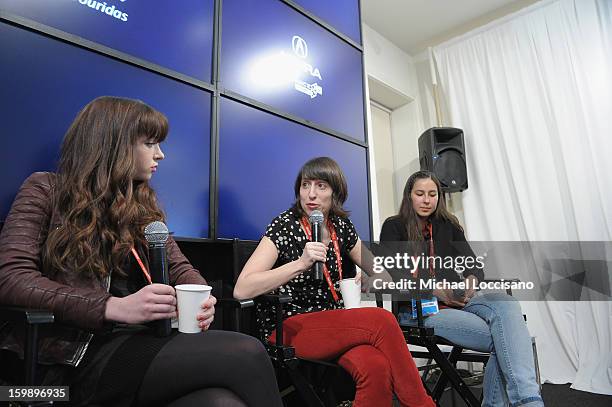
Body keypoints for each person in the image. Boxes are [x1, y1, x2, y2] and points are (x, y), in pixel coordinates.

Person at [0, 96, 283, 407]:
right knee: (246, 352)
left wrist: (201, 296)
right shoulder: (45, 189)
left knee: (220, 403)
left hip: (138, 343)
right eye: (150, 143)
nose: (160, 155)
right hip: (68, 368)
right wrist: (111, 307)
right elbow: (12, 279)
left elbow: (180, 267)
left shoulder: (142, 207)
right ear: (113, 145)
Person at [233, 157, 435, 407]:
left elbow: (383, 274)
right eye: (305, 185)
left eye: (321, 186)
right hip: (290, 326)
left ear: (335, 193)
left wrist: (370, 277)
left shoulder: (341, 226)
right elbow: (242, 289)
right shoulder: (284, 226)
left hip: (334, 323)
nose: (311, 194)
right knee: (382, 320)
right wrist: (300, 264)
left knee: (375, 366)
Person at [380, 170, 543, 407]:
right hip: (420, 310)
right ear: (409, 196)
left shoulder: (448, 225)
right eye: (420, 194)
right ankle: (529, 402)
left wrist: (470, 283)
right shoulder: (394, 227)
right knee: (508, 341)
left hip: (459, 301)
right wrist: (436, 290)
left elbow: (474, 267)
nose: (427, 200)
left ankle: (527, 401)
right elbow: (396, 274)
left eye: (433, 194)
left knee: (507, 304)